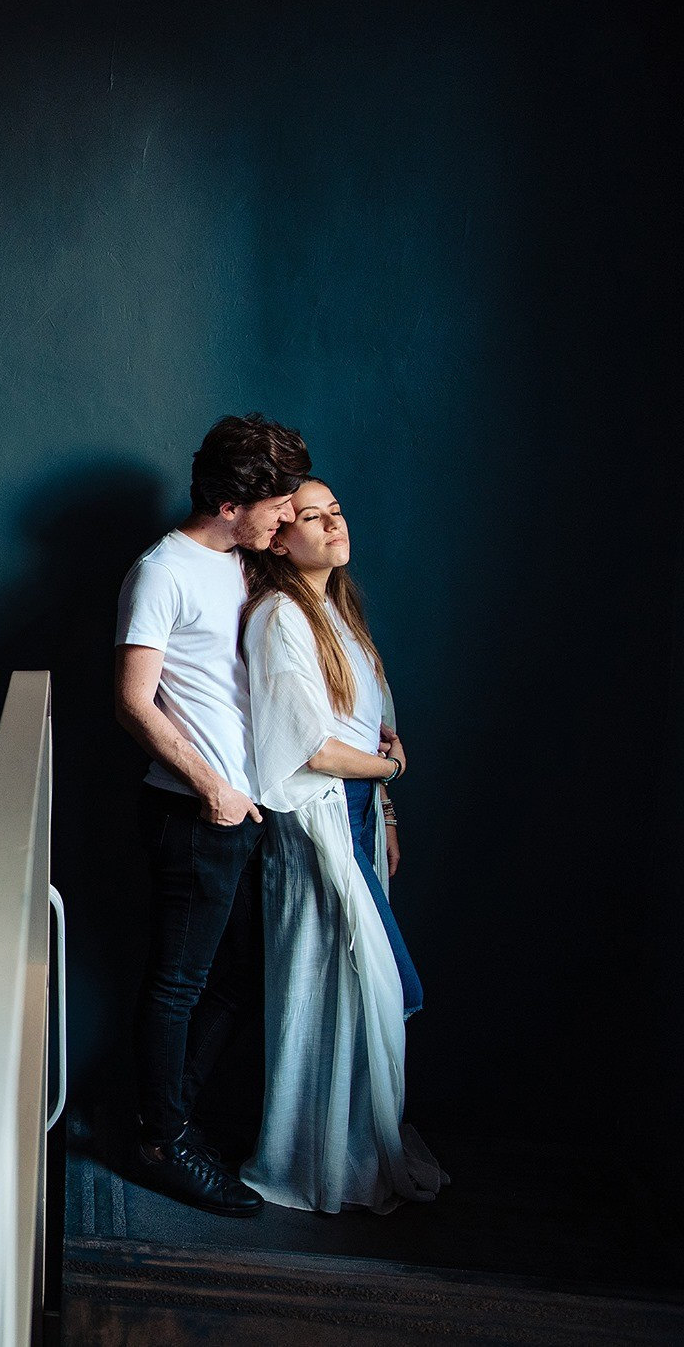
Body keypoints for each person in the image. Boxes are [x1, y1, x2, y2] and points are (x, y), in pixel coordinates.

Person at [114, 413, 310, 1217]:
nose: (287, 515)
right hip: (195, 811)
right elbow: (133, 700)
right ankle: (162, 1141)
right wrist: (212, 788)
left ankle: (169, 1120)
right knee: (180, 983)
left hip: (242, 810)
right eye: (277, 502)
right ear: (231, 502)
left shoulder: (240, 563)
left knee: (234, 977)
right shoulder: (161, 570)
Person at [236, 478, 446, 1212]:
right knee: (344, 986)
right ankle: (315, 1157)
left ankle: (354, 1144)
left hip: (358, 814)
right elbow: (312, 748)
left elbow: (372, 726)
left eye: (335, 511)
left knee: (367, 992)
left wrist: (386, 812)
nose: (332, 524)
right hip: (315, 823)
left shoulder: (343, 615)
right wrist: (391, 771)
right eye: (310, 516)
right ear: (279, 539)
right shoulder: (278, 616)